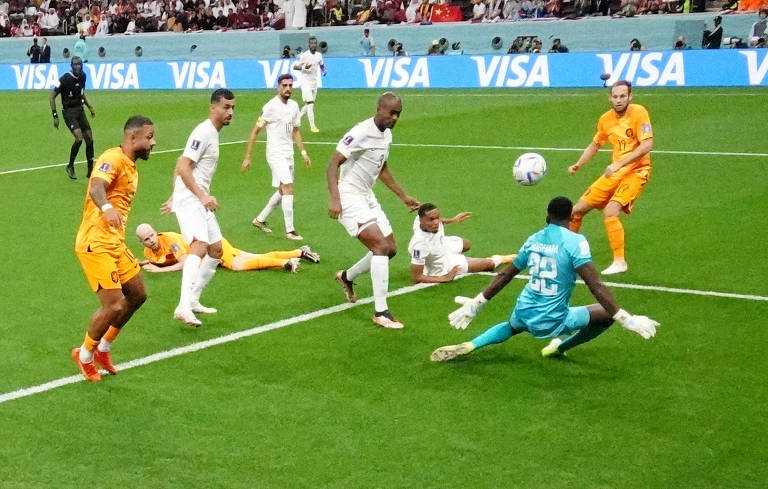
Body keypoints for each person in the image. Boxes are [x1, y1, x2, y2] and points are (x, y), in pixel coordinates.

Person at [430, 196, 659, 363]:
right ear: (571, 217)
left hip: (524, 308)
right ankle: (559, 347)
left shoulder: (533, 240)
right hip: (552, 319)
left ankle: (471, 345)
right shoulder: (575, 242)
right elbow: (595, 285)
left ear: (547, 216)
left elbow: (505, 274)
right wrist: (626, 319)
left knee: (512, 326)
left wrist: (477, 303)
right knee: (605, 314)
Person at [71, 115, 156, 382]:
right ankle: (84, 355)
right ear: (133, 138)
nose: (153, 143)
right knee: (115, 304)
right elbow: (97, 186)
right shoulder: (113, 158)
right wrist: (106, 207)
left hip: (114, 243)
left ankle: (104, 348)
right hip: (95, 243)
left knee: (138, 295)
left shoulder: (130, 165)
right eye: (149, 137)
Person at [327, 92, 420, 330]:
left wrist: (403, 196)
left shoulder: (387, 134)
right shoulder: (360, 132)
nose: (395, 118)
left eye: (398, 114)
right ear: (379, 108)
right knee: (380, 246)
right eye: (392, 113)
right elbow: (332, 164)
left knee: (390, 250)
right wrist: (335, 199)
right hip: (348, 196)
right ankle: (381, 311)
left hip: (367, 195)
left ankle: (346, 277)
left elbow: (382, 167)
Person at [567, 80, 653, 276]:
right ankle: (567, 254)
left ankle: (620, 261)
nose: (619, 100)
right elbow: (595, 144)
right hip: (614, 173)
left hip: (637, 171)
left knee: (610, 211)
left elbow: (647, 145)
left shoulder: (639, 112)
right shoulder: (605, 119)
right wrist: (578, 164)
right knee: (576, 211)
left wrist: (619, 164)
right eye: (615, 96)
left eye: (623, 96)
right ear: (610, 98)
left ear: (630, 97)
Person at [171, 89, 236, 327]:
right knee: (198, 247)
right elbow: (184, 166)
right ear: (213, 108)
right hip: (192, 198)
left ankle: (193, 300)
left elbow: (180, 163)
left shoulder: (213, 134)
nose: (230, 112)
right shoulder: (204, 132)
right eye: (226, 107)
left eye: (232, 108)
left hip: (194, 197)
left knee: (216, 250)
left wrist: (173, 194)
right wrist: (202, 196)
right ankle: (183, 306)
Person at [242, 74, 311, 241]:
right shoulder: (270, 107)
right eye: (284, 85)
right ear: (278, 87)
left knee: (282, 190)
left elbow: (295, 131)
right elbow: (255, 131)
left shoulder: (294, 106)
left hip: (289, 154)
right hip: (275, 154)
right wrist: (247, 157)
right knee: (288, 187)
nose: (287, 88)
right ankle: (290, 231)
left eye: (290, 85)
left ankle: (260, 219)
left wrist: (303, 152)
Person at [136, 223, 319, 273]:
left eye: (152, 235)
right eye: (146, 239)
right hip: (210, 248)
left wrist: (160, 271)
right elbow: (159, 259)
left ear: (156, 232)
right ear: (142, 243)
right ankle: (300, 252)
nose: (151, 240)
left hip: (212, 246)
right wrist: (143, 263)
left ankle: (285, 263)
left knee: (237, 265)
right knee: (253, 256)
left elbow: (184, 263)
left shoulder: (170, 239)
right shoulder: (148, 252)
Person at [408, 203, 516, 284]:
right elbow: (416, 278)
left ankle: (460, 258)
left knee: (466, 244)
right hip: (442, 264)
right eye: (431, 219)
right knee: (488, 264)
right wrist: (443, 278)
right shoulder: (420, 246)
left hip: (442, 245)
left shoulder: (421, 218)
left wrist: (453, 219)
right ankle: (500, 258)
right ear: (421, 220)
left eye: (437, 218)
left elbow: (437, 219)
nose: (436, 222)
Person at [50, 56, 96, 180]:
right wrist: (55, 116)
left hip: (80, 110)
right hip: (69, 112)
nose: (78, 66)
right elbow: (52, 97)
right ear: (71, 65)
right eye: (75, 64)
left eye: (79, 64)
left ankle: (90, 170)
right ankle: (70, 166)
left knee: (90, 139)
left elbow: (81, 93)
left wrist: (89, 106)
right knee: (79, 138)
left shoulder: (83, 76)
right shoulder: (64, 79)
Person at [292, 36, 327, 133]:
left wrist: (324, 70)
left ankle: (296, 119)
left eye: (314, 43)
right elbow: (296, 67)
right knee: (310, 104)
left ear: (316, 44)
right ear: (309, 44)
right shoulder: (304, 55)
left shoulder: (319, 55)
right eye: (311, 43)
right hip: (305, 82)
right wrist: (304, 67)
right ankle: (313, 126)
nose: (313, 45)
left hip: (314, 83)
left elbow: (322, 65)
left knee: (308, 105)